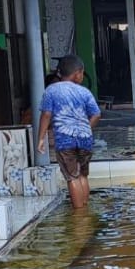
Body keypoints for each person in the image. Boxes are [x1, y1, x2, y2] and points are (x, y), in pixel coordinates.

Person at [37, 54, 101, 210]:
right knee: (83, 175)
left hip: (65, 141)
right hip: (85, 139)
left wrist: (41, 138)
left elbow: (46, 114)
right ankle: (85, 208)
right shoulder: (84, 92)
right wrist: (86, 128)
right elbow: (97, 114)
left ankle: (79, 215)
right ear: (77, 73)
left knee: (72, 177)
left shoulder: (51, 91)